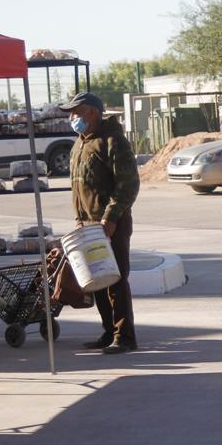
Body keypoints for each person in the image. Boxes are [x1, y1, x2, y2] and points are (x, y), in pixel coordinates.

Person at [61, 92, 140, 355]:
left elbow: (128, 185)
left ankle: (124, 337)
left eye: (76, 112)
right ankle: (109, 332)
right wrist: (80, 220)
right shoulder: (80, 143)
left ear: (92, 112)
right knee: (97, 281)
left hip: (110, 223)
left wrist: (110, 218)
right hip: (87, 226)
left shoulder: (112, 141)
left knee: (115, 280)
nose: (72, 117)